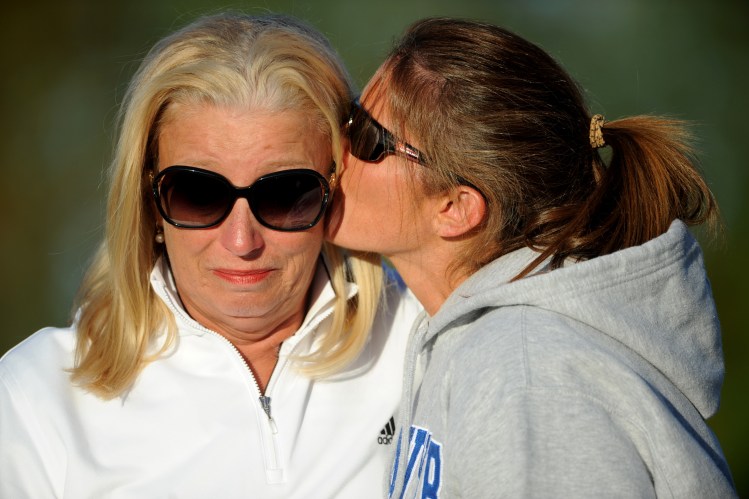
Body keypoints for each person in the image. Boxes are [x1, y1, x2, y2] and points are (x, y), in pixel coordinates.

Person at [0, 13, 421, 498]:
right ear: (149, 203)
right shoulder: (38, 397)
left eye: (286, 194)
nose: (241, 241)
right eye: (197, 194)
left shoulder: (424, 339)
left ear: (336, 190)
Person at [327, 17, 737, 498]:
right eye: (350, 116)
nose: (337, 146)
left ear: (456, 209)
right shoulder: (487, 346)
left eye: (368, 139)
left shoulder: (526, 374)